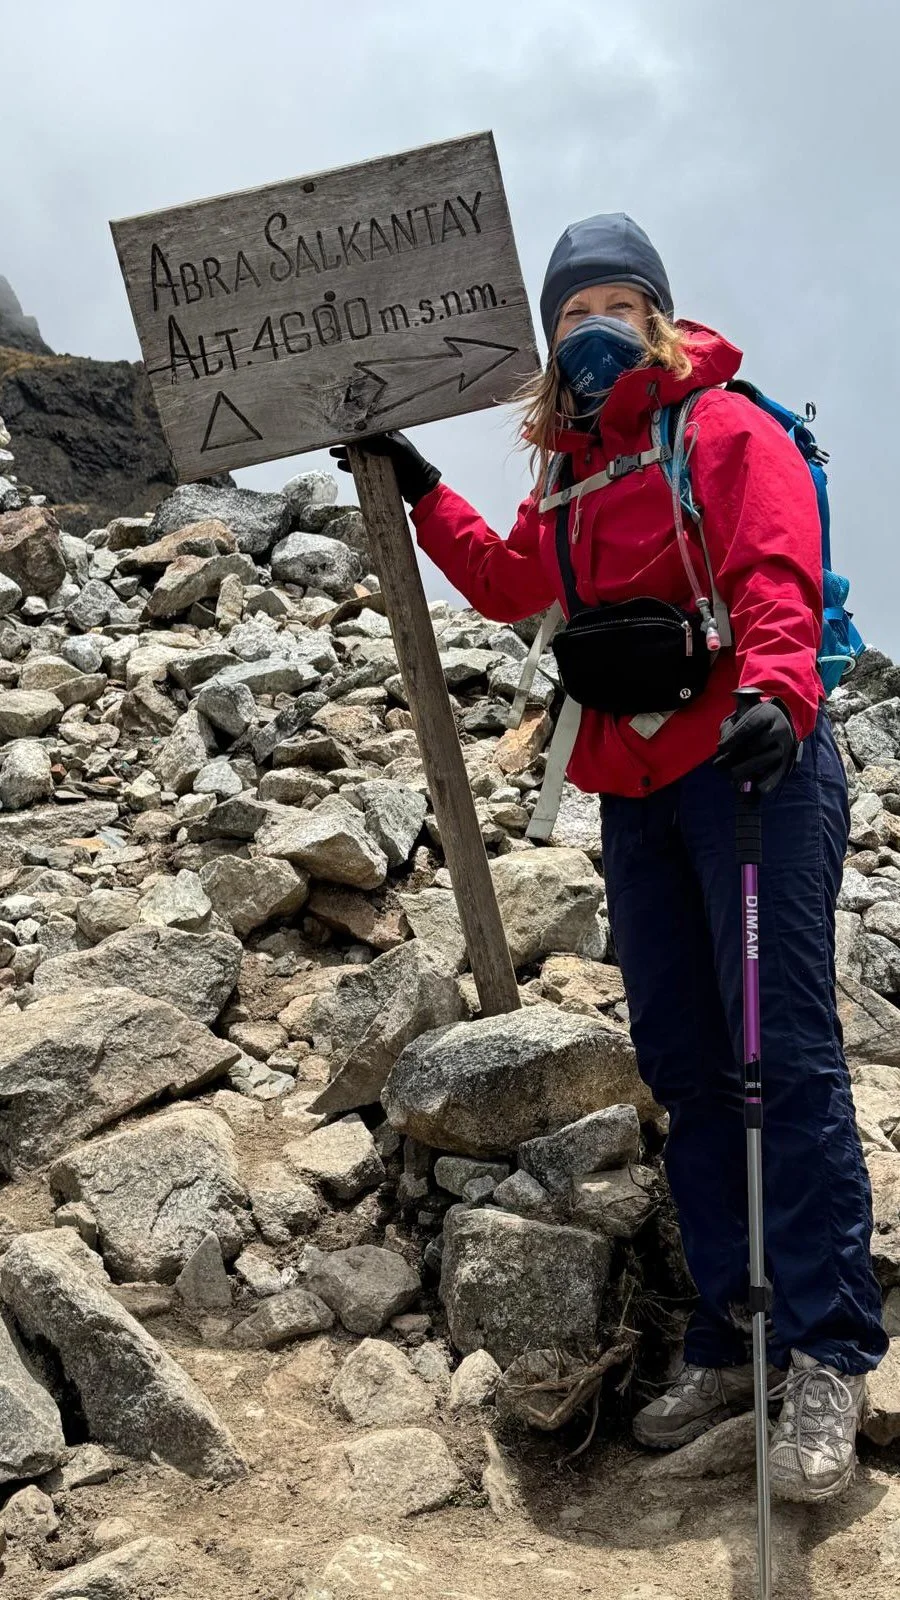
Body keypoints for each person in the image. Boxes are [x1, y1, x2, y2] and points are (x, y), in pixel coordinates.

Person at [331, 212, 887, 1502]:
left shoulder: (725, 428)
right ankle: (731, 1337)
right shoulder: (569, 474)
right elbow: (513, 582)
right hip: (636, 796)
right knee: (690, 1071)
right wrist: (422, 490)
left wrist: (784, 692)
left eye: (613, 305)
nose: (591, 330)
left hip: (753, 777)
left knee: (782, 1062)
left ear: (658, 313)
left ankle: (827, 1355)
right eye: (571, 314)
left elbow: (774, 574)